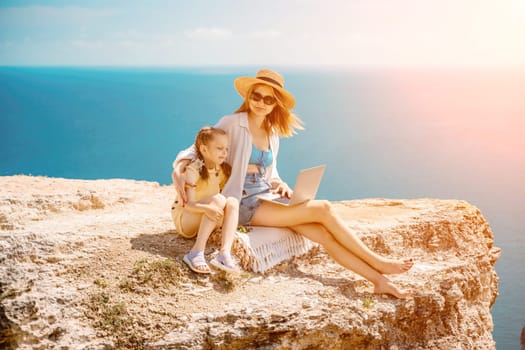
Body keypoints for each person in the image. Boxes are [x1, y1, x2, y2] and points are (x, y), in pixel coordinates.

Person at [173, 69, 413, 297]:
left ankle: (379, 281)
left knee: (322, 234)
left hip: (266, 195)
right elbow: (200, 146)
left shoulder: (272, 131)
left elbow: (271, 172)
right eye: (257, 96)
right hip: (244, 200)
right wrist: (180, 168)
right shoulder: (233, 122)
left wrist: (281, 185)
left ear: (275, 104)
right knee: (325, 209)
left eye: (268, 100)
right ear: (249, 96)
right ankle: (379, 262)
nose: (261, 102)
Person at [171, 126, 240, 274]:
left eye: (226, 149)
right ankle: (195, 252)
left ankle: (224, 254)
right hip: (187, 219)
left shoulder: (220, 171)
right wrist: (206, 208)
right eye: (219, 148)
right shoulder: (193, 169)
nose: (224, 153)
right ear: (204, 149)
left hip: (206, 218)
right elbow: (187, 204)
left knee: (232, 202)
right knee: (219, 199)